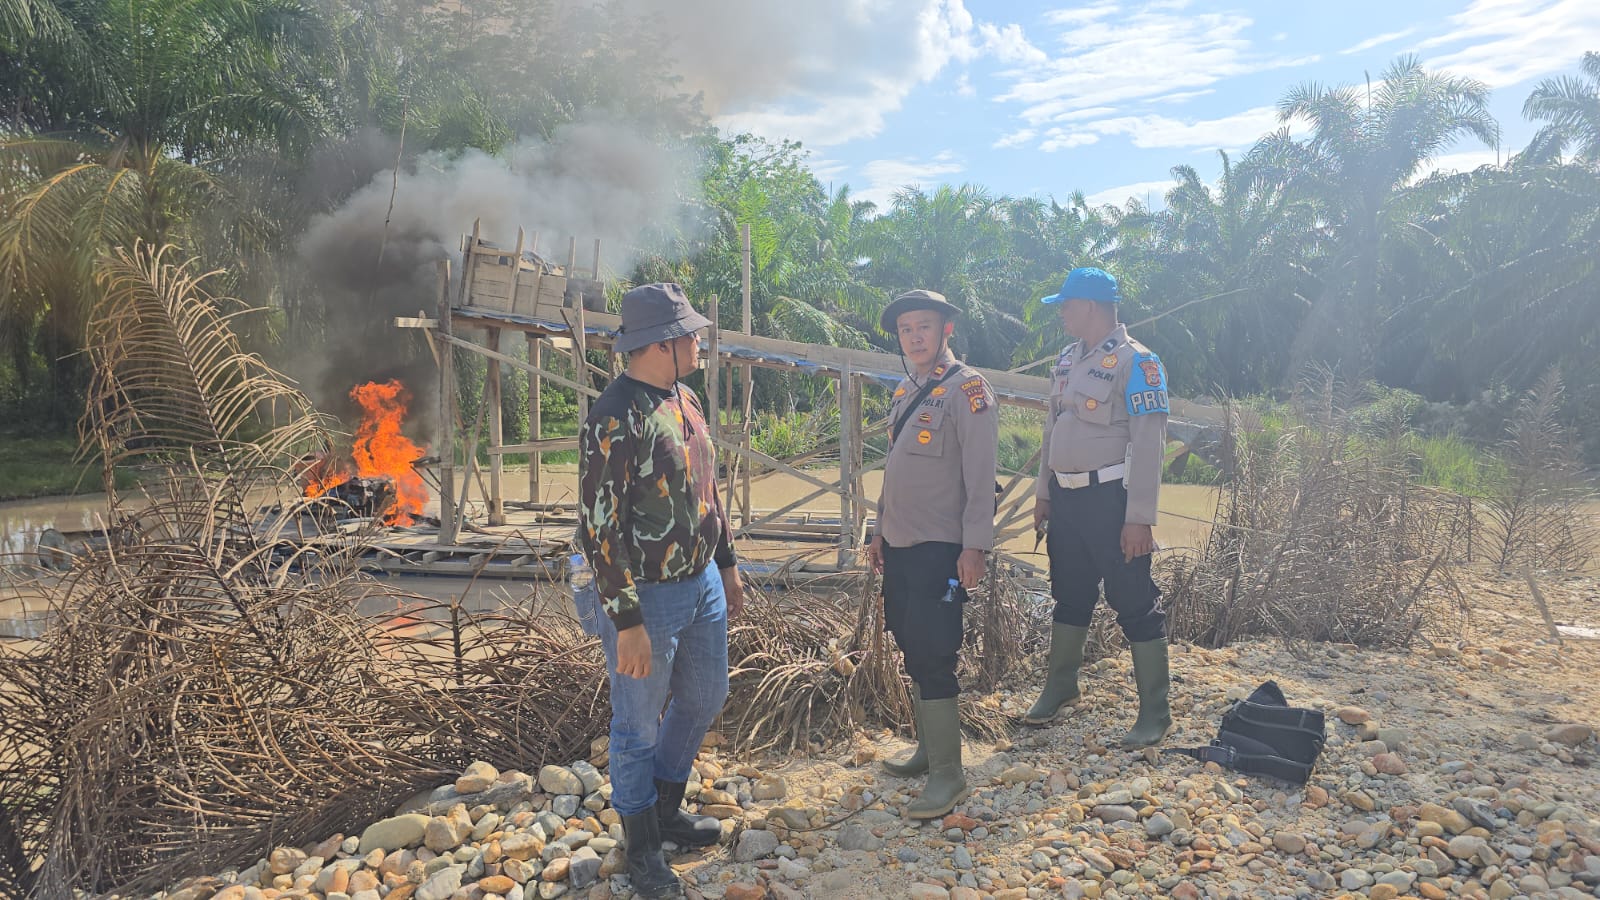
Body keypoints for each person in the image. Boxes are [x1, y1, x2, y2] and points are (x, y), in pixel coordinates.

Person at [578, 282, 745, 900]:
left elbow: (708, 488)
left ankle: (668, 805)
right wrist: (626, 622)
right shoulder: (613, 415)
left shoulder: (685, 399)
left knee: (707, 694)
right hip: (645, 594)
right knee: (636, 724)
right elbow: (598, 528)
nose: (699, 342)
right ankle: (642, 844)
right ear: (661, 344)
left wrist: (726, 563)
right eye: (691, 335)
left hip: (701, 581)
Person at [1023, 267, 1173, 749]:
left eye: (1065, 305)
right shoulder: (1068, 359)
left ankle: (1155, 711)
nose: (1061, 313)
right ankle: (1061, 687)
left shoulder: (1139, 362)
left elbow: (1150, 443)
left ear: (1089, 305)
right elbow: (1052, 429)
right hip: (1066, 498)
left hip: (1112, 501)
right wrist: (1043, 492)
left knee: (1133, 600)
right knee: (1069, 593)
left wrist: (1139, 518)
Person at [866, 289, 998, 820]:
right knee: (908, 637)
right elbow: (894, 468)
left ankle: (949, 773)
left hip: (941, 545)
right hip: (899, 542)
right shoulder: (905, 390)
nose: (914, 336)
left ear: (946, 329)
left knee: (937, 651)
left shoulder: (969, 390)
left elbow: (981, 475)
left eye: (924, 326)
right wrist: (877, 530)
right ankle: (927, 750)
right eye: (905, 330)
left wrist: (975, 546)